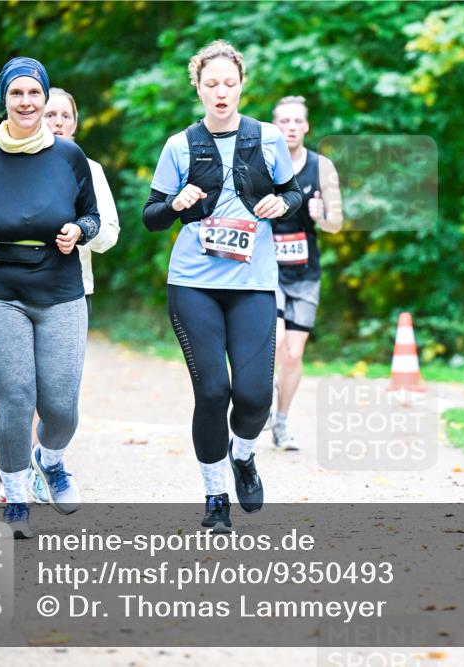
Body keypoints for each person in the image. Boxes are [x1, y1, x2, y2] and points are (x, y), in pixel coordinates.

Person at [142, 40, 302, 531]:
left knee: (254, 397)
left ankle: (245, 455)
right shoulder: (180, 145)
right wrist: (174, 204)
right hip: (193, 283)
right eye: (211, 84)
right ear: (198, 88)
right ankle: (215, 497)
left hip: (253, 283)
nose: (221, 92)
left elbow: (291, 192)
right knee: (213, 392)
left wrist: (284, 204)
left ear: (241, 86)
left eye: (229, 84)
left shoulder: (268, 139)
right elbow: (151, 217)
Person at [0, 56, 100, 539]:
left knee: (60, 405)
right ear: (3, 100)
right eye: (17, 94)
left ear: (45, 98)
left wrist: (79, 229)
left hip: (60, 286)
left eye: (35, 93)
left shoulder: (68, 157)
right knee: (15, 398)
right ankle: (15, 496)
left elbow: (92, 217)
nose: (27, 102)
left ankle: (49, 460)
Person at [269, 96, 343, 450]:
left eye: (297, 121)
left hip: (305, 272)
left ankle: (281, 421)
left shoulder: (322, 167)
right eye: (285, 121)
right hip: (266, 269)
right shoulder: (264, 163)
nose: (291, 127)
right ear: (275, 126)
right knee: (278, 341)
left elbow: (337, 224)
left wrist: (321, 215)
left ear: (307, 126)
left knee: (295, 355)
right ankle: (259, 401)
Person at [43, 87, 120, 316]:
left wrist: (81, 230)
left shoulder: (91, 171)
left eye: (66, 116)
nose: (58, 122)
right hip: (18, 292)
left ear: (74, 124)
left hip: (74, 291)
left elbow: (109, 235)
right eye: (50, 115)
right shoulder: (14, 166)